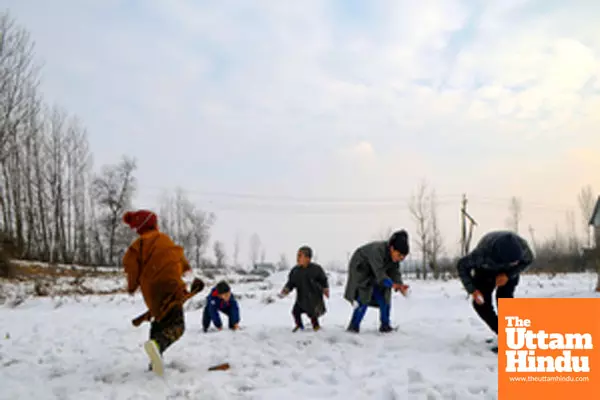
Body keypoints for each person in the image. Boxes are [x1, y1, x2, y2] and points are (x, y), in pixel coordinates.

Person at [122, 209, 193, 376]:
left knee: (159, 318)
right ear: (153, 224)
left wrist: (132, 286)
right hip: (172, 286)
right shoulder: (165, 240)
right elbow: (177, 255)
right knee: (177, 325)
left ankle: (155, 359)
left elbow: (130, 265)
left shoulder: (137, 245)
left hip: (152, 291)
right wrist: (185, 267)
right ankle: (158, 346)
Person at [456, 230, 534, 352]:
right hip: (486, 270)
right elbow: (462, 265)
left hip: (509, 273)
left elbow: (528, 260)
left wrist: (508, 275)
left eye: (515, 262)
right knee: (481, 304)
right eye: (511, 262)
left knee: (505, 299)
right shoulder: (482, 254)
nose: (514, 263)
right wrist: (473, 290)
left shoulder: (523, 249)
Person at [343, 230, 410, 333]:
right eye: (399, 255)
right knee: (364, 295)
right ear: (392, 249)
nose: (400, 259)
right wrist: (392, 284)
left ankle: (385, 325)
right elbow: (380, 274)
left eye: (403, 257)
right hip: (361, 269)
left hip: (375, 273)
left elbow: (395, 272)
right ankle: (353, 327)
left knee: (384, 296)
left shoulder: (394, 259)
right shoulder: (377, 251)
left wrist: (400, 285)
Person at [279, 246, 329, 332]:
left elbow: (323, 280)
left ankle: (316, 327)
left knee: (313, 314)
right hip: (301, 297)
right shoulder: (295, 271)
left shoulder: (316, 269)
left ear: (308, 258)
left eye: (300, 256)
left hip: (313, 297)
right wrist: (286, 289)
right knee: (295, 312)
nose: (297, 258)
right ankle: (299, 326)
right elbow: (291, 283)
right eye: (297, 256)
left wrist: (325, 289)